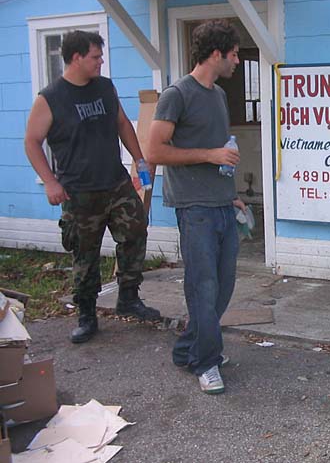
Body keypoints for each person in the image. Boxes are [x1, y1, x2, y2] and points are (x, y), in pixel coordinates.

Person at [24, 30, 161, 344]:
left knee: (136, 230)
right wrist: (50, 181)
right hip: (79, 192)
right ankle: (86, 314)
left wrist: (139, 160)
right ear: (76, 58)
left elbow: (122, 123)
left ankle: (128, 297)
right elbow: (32, 142)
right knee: (85, 254)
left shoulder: (104, 87)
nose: (101, 62)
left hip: (116, 182)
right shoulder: (50, 98)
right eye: (95, 57)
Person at [147, 20, 246, 395]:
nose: (237, 60)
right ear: (216, 54)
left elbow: (220, 152)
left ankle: (189, 350)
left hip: (222, 203)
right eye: (234, 54)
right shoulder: (177, 94)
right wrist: (210, 155)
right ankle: (206, 362)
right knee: (203, 287)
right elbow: (154, 151)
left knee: (223, 287)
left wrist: (231, 193)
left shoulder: (218, 94)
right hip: (194, 209)